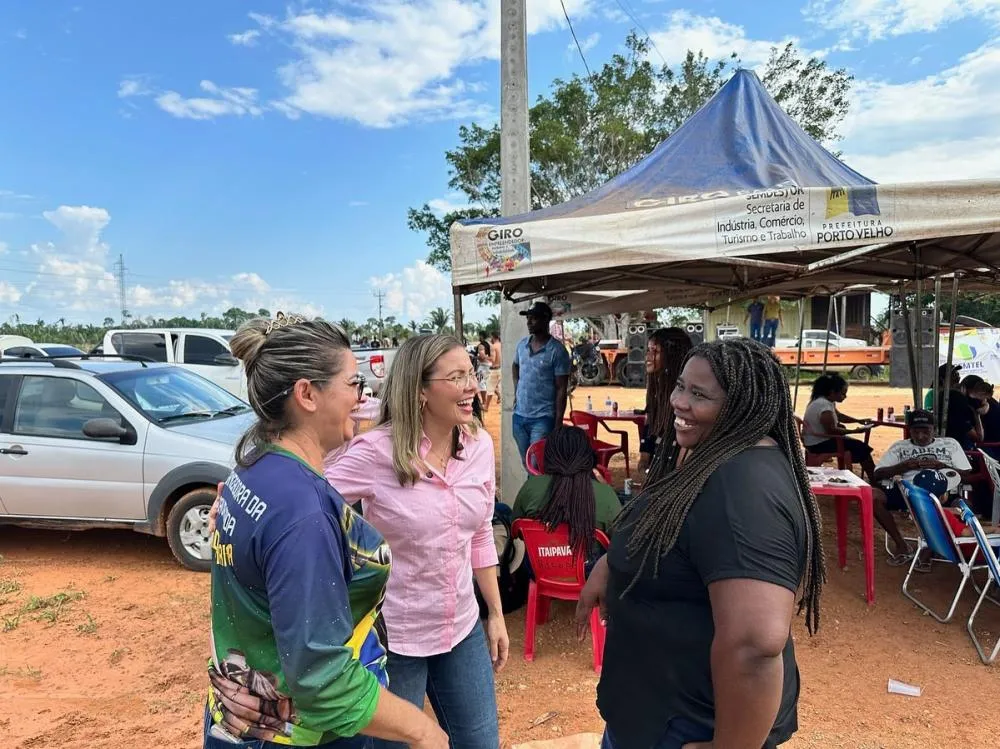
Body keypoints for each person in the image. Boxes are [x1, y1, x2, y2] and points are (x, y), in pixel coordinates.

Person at [204, 313, 447, 749]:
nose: (363, 396)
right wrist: (423, 730)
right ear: (307, 394)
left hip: (239, 722)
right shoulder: (303, 513)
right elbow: (321, 680)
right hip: (300, 735)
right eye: (353, 384)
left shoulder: (255, 469)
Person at [576, 338, 825, 749]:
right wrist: (612, 564)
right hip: (656, 711)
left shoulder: (743, 489)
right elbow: (670, 519)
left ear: (742, 406)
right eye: (681, 386)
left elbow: (755, 643)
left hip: (687, 726)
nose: (679, 402)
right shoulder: (711, 455)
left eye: (699, 394)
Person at [326, 334, 507, 749]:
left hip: (461, 629)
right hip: (397, 639)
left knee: (481, 743)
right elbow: (303, 497)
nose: (472, 387)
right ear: (421, 390)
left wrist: (494, 613)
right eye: (457, 377)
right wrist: (244, 492)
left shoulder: (478, 446)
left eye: (472, 374)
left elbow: (480, 531)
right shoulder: (376, 452)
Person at [872, 409, 973, 568]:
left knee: (964, 505)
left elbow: (967, 476)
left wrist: (943, 466)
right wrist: (903, 466)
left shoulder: (950, 444)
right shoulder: (900, 447)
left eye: (925, 431)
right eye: (915, 431)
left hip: (943, 492)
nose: (920, 436)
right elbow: (877, 474)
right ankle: (902, 545)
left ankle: (936, 545)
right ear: (909, 430)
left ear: (934, 429)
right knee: (873, 496)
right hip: (908, 493)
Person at [512, 425, 621, 562]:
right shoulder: (605, 494)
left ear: (549, 455)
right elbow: (620, 542)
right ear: (587, 457)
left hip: (538, 569)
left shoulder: (531, 487)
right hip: (590, 576)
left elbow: (515, 530)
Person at [512, 302, 571, 463]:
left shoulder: (557, 351)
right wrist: (517, 390)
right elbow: (515, 366)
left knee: (535, 462)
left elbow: (561, 389)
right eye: (528, 318)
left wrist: (558, 422)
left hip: (543, 418)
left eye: (534, 319)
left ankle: (538, 488)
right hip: (519, 417)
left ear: (546, 320)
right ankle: (538, 487)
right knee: (527, 462)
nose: (529, 322)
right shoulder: (522, 346)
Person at [801, 373, 877, 480]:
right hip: (818, 444)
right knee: (861, 448)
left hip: (816, 440)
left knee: (858, 447)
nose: (845, 397)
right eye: (843, 394)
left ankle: (873, 476)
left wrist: (858, 421)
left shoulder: (824, 401)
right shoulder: (824, 405)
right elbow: (831, 430)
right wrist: (854, 431)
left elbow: (839, 416)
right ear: (832, 392)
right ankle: (874, 478)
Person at [638, 328, 692, 475]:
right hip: (659, 465)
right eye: (648, 350)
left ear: (671, 355)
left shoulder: (685, 394)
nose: (648, 357)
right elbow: (651, 424)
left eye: (654, 351)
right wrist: (645, 457)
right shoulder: (658, 390)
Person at [925, 363, 983, 448]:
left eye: (958, 374)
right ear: (942, 379)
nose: (958, 378)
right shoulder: (934, 394)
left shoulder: (957, 393)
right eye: (954, 375)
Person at [475, 339, 493, 413]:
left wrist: (476, 357)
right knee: (486, 383)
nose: (480, 350)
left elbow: (482, 358)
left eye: (481, 349)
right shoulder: (489, 346)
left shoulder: (481, 346)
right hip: (486, 366)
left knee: (481, 383)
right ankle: (485, 401)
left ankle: (484, 401)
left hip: (483, 366)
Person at [488, 331, 502, 404]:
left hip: (495, 369)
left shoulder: (493, 346)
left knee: (489, 388)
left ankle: (486, 406)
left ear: (493, 337)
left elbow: (493, 359)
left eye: (491, 337)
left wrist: (486, 357)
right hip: (501, 369)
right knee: (498, 387)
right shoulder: (501, 345)